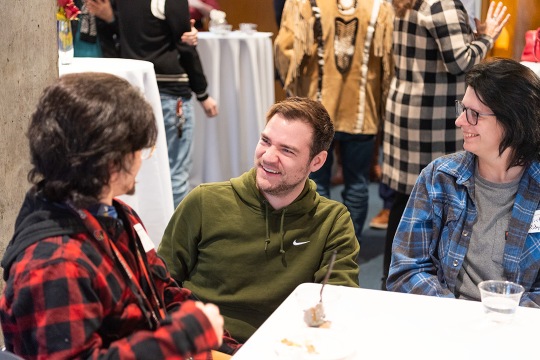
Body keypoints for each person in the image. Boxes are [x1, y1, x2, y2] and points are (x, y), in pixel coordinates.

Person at [0, 73, 233, 358]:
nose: (140, 160)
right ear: (111, 163)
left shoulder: (118, 215)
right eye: (137, 150)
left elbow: (161, 289)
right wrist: (182, 337)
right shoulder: (55, 262)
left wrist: (219, 341)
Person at [158, 97, 360, 343]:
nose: (268, 157)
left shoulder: (332, 222)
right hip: (205, 346)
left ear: (316, 161)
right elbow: (159, 286)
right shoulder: (204, 201)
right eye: (265, 141)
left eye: (287, 150)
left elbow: (336, 308)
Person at [387, 58, 540, 307]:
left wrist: (503, 318)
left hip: (519, 330)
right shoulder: (440, 178)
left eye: (474, 114)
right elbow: (406, 269)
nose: (460, 121)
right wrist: (458, 315)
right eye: (462, 108)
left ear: (514, 120)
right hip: (447, 321)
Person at [381, 0, 510, 288]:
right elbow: (461, 62)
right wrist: (488, 36)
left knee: (405, 203)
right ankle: (404, 282)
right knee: (424, 201)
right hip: (431, 117)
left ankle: (392, 284)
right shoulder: (442, 3)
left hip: (408, 109)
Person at [274, 0, 394, 244]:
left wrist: (294, 89)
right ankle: (349, 247)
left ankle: (319, 246)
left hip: (315, 112)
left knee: (316, 182)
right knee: (358, 183)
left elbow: (285, 49)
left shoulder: (304, 4)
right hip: (362, 111)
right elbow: (389, 62)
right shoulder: (378, 7)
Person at [96, 0, 218, 207]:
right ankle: (175, 238)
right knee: (175, 175)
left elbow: (112, 36)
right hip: (170, 91)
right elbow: (185, 45)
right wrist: (203, 93)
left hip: (133, 91)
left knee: (139, 174)